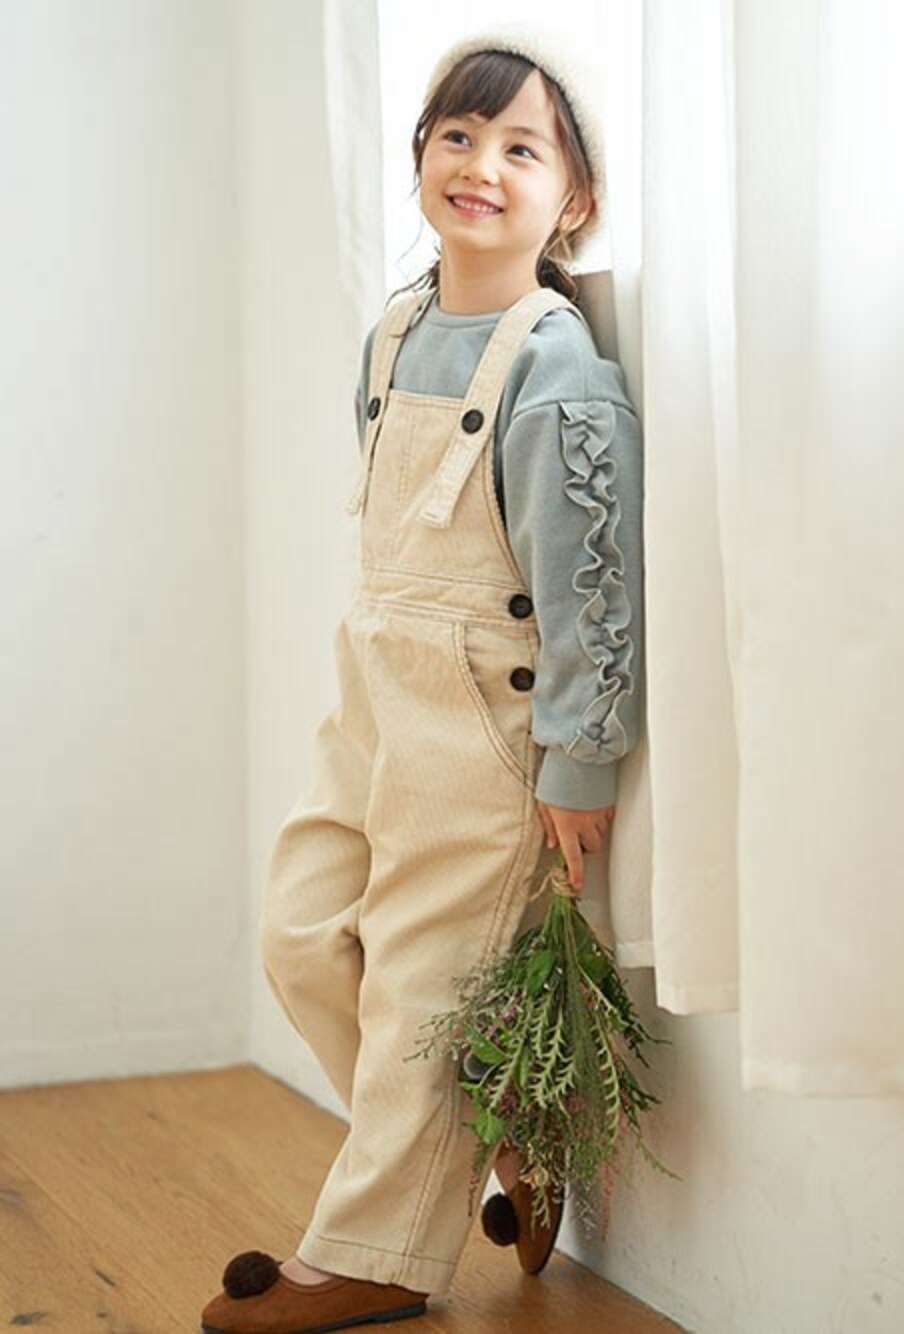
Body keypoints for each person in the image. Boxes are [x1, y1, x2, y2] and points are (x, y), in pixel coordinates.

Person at [200, 22, 644, 1334]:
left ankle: (379, 1254)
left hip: (483, 717)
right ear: (418, 157)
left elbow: (591, 585)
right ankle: (496, 1128)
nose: (481, 166)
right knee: (300, 929)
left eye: (522, 148)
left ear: (575, 200)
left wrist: (579, 759)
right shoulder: (394, 333)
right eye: (459, 134)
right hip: (377, 687)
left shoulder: (554, 365)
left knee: (418, 982)